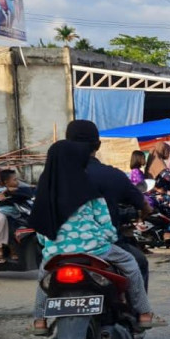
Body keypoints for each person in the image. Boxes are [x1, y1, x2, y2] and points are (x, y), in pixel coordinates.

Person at [29, 140, 166, 334]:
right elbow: (106, 224)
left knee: (44, 279)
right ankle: (144, 314)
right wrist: (107, 239)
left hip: (56, 254)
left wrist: (51, 246)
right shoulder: (89, 189)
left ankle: (40, 321)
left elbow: (41, 230)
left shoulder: (44, 193)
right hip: (94, 250)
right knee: (131, 265)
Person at [64, 120, 152, 289]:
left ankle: (40, 315)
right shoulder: (112, 176)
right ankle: (140, 312)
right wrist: (146, 210)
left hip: (60, 249)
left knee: (45, 276)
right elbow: (142, 203)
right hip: (104, 246)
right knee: (139, 262)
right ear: (97, 145)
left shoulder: (53, 176)